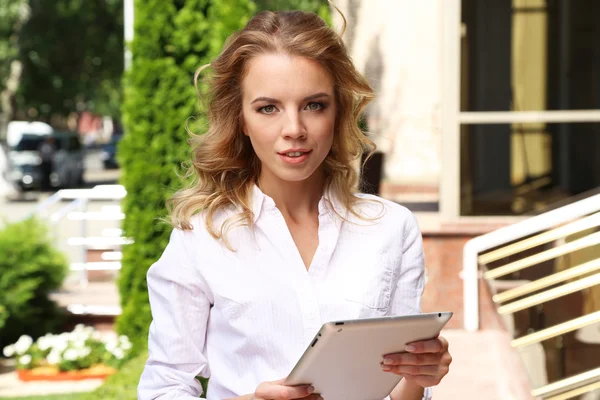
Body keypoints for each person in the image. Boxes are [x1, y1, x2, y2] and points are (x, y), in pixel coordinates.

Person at [138, 7, 452, 400]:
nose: (294, 130)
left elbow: (396, 388)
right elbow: (163, 390)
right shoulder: (201, 239)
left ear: (337, 112)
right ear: (241, 119)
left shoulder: (391, 228)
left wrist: (418, 377)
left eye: (314, 105)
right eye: (268, 108)